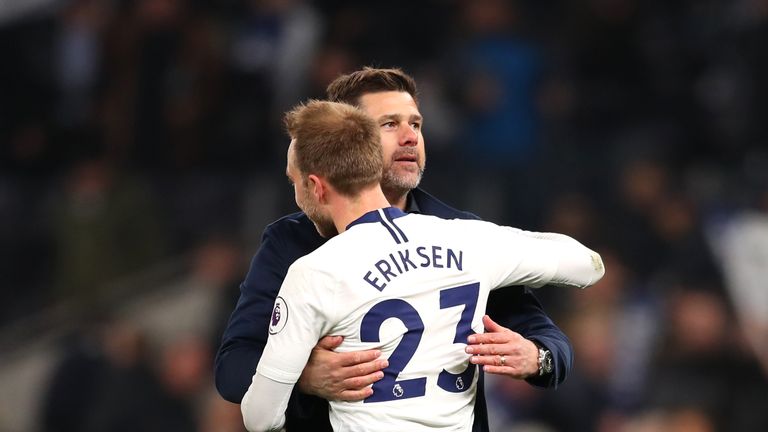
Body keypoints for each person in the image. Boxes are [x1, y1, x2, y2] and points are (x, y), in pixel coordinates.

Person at [215, 67, 576, 431]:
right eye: (389, 124)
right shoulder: (291, 242)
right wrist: (305, 377)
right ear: (345, 138)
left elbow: (547, 337)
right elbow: (233, 366)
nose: (409, 138)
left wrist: (538, 357)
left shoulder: (462, 234)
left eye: (416, 124)